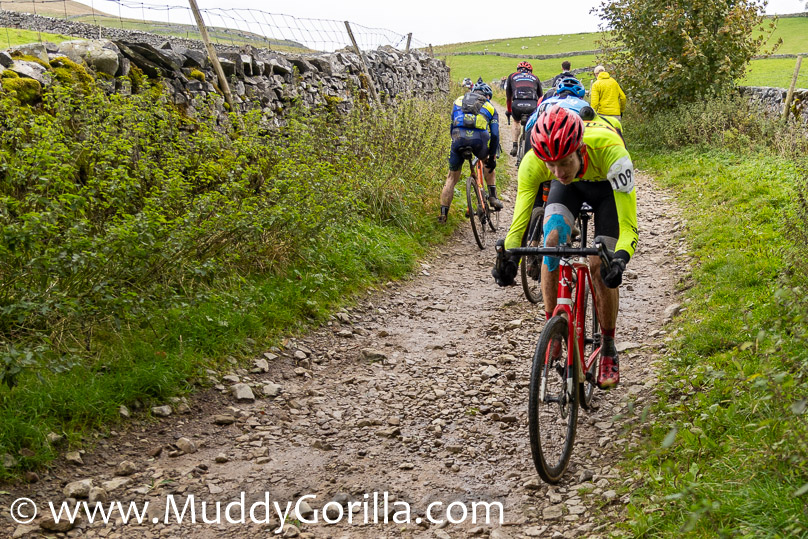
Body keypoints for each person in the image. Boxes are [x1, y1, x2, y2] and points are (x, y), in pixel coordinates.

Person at [492, 104, 637, 388]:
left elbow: (629, 226)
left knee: (600, 262)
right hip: (571, 191)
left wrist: (621, 257)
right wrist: (509, 256)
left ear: (579, 149)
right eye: (551, 165)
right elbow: (518, 224)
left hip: (606, 190)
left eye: (564, 162)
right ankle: (554, 329)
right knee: (551, 242)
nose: (558, 171)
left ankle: (608, 346)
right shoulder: (535, 162)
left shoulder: (613, 153)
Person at [438, 80, 503, 224]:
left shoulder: (458, 101)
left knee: (451, 177)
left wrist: (455, 142)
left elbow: (452, 125)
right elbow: (495, 134)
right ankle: (493, 197)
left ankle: (443, 214)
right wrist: (492, 157)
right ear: (488, 96)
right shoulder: (490, 106)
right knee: (487, 164)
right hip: (479, 140)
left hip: (458, 138)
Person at [504, 61, 542, 157]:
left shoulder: (512, 76)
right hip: (532, 105)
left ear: (518, 70)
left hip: (517, 104)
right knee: (534, 124)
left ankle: (515, 145)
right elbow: (541, 97)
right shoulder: (535, 77)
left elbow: (508, 97)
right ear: (530, 71)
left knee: (516, 121)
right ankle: (534, 144)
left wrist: (509, 110)